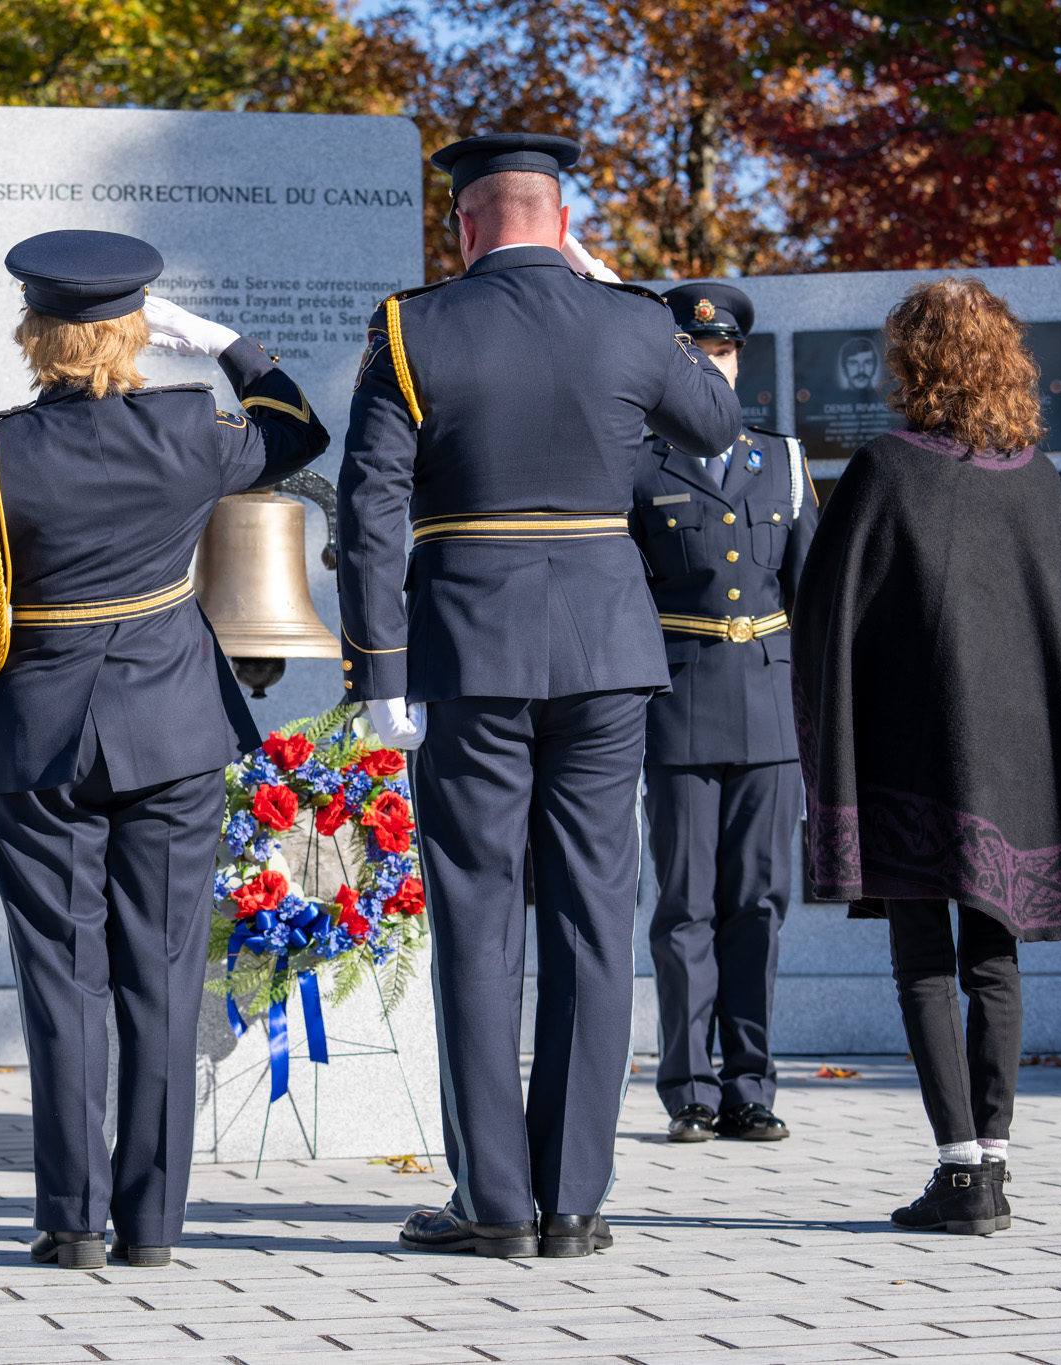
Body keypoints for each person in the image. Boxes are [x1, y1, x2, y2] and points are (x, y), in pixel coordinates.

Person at [337, 132, 743, 1260]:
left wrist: (377, 665)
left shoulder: (413, 327)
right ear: (560, 220)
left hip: (469, 650)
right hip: (609, 650)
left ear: (463, 225)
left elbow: (369, 506)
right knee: (592, 918)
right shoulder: (631, 321)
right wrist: (628, 304)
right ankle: (573, 1201)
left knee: (476, 919)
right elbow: (713, 430)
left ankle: (494, 1204)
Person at [0, 230, 328, 1270]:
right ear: (134, 332)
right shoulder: (186, 425)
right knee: (159, 981)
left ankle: (70, 1222)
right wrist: (222, 343)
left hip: (38, 744)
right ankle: (151, 1227)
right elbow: (297, 428)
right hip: (173, 734)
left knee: (61, 987)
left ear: (34, 334)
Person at [791, 276, 1061, 1238]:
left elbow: (826, 615)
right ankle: (996, 1164)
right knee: (996, 953)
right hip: (1014, 750)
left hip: (915, 747)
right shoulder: (1037, 472)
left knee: (924, 956)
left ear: (913, 360)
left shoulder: (887, 468)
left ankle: (961, 1171)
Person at [627, 283, 816, 1144]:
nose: (712, 363)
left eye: (725, 352)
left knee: (760, 903)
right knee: (684, 906)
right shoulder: (638, 464)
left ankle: (752, 1083)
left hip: (769, 703)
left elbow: (810, 596)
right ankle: (690, 1086)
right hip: (680, 703)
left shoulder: (783, 460)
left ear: (741, 360)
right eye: (694, 353)